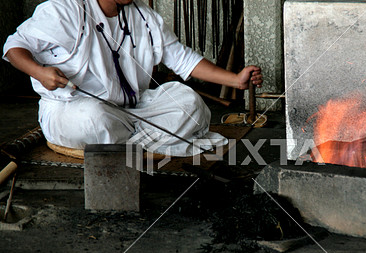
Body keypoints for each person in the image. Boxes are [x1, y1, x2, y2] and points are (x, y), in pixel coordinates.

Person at [3, 0, 262, 156]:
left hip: (135, 110)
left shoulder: (144, 16)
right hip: (74, 109)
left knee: (189, 103)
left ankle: (133, 141)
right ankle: (155, 142)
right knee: (94, 119)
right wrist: (39, 72)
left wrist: (236, 80)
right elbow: (14, 46)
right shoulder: (65, 9)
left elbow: (181, 58)